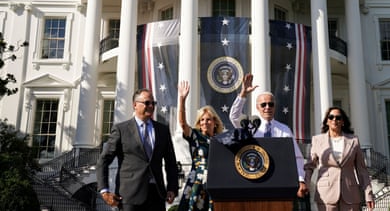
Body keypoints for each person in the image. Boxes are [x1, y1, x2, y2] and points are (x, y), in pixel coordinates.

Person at [96, 88, 179, 211]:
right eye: (147, 103)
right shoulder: (121, 129)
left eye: (153, 103)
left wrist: (172, 187)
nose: (151, 106)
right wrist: (104, 191)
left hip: (157, 195)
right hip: (130, 196)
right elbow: (103, 160)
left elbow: (171, 162)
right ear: (135, 105)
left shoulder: (162, 130)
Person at [229, 73, 308, 198]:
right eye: (263, 104)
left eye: (270, 104)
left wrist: (300, 179)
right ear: (257, 107)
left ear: (275, 107)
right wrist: (243, 93)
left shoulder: (284, 129)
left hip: (279, 179)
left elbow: (296, 156)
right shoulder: (249, 126)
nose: (267, 107)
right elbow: (233, 117)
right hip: (253, 177)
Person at [304, 107, 375, 211]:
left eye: (338, 117)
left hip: (350, 194)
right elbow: (310, 166)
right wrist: (305, 183)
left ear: (343, 122)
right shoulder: (317, 140)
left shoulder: (353, 141)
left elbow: (362, 170)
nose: (334, 120)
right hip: (326, 194)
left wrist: (368, 194)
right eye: (331, 117)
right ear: (327, 121)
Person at [177, 80, 224, 211]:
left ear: (215, 122)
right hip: (197, 182)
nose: (204, 122)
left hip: (215, 182)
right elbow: (182, 123)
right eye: (202, 120)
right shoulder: (195, 135)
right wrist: (182, 100)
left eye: (208, 119)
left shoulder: (221, 140)